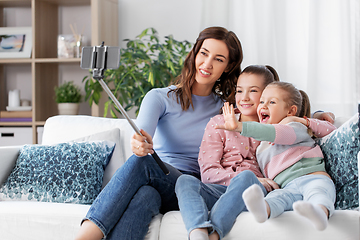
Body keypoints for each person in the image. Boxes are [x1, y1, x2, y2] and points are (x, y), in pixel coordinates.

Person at [74, 26, 244, 240]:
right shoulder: (159, 98)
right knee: (145, 194)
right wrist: (139, 145)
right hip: (155, 180)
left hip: (190, 187)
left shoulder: (227, 109)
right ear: (194, 54)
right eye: (204, 53)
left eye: (218, 59)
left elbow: (267, 120)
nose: (207, 64)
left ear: (228, 67)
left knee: (144, 164)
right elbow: (141, 138)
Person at [175, 65, 281, 240]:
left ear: (268, 95)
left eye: (253, 91)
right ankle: (198, 232)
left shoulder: (275, 128)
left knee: (246, 177)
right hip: (219, 190)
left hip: (252, 192)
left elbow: (297, 116)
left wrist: (319, 115)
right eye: (239, 91)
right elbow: (208, 173)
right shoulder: (219, 123)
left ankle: (214, 234)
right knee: (184, 180)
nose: (244, 97)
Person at [216, 81, 337, 231]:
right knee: (277, 198)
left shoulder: (293, 127)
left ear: (291, 111)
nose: (263, 106)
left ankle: (320, 213)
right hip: (287, 187)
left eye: (272, 102)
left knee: (319, 193)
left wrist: (240, 127)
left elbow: (272, 132)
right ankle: (263, 209)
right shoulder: (261, 147)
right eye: (261, 101)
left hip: (313, 177)